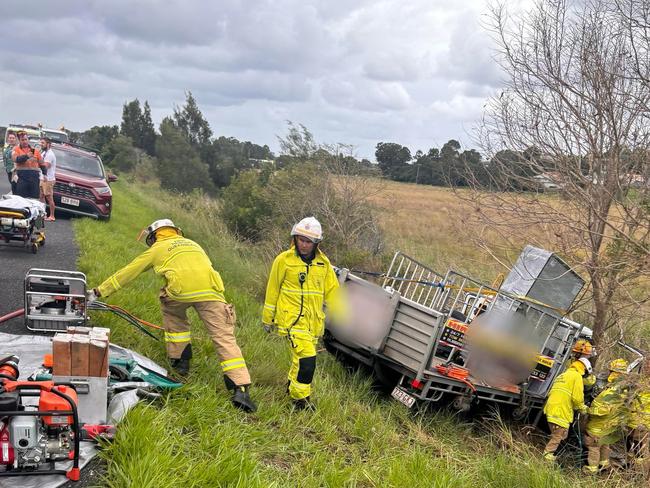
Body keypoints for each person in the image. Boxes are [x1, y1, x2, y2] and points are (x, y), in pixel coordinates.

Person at [87, 219, 257, 413]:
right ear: (176, 231)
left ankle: (180, 361)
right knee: (224, 338)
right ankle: (241, 390)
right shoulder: (193, 244)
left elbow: (128, 272)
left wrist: (99, 292)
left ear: (154, 236)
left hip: (179, 292)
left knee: (172, 311)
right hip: (212, 294)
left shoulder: (158, 248)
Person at [262, 216, 339, 410]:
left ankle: (290, 386)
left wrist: (343, 316)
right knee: (307, 360)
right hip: (291, 320)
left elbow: (333, 292)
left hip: (313, 323)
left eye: (308, 241)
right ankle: (301, 400)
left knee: (300, 358)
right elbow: (273, 290)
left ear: (316, 243)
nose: (303, 245)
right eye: (300, 239)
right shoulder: (283, 260)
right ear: (294, 238)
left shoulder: (323, 264)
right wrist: (267, 319)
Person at [583, 358, 629, 474]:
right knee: (604, 444)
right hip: (607, 426)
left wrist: (589, 410)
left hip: (598, 426)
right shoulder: (621, 389)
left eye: (611, 371)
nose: (609, 373)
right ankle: (604, 465)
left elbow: (605, 410)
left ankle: (592, 469)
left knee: (594, 447)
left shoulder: (614, 391)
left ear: (616, 373)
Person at [542, 357, 591, 461]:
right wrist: (584, 408)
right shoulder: (576, 376)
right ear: (584, 369)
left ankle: (553, 453)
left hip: (551, 407)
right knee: (558, 435)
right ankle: (547, 457)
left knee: (562, 434)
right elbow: (577, 398)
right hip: (560, 410)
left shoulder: (563, 375)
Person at [12, 131, 43, 199]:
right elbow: (16, 159)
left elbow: (41, 163)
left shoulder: (34, 150)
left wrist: (45, 174)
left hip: (34, 179)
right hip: (22, 178)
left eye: (26, 139)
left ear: (28, 140)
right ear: (19, 141)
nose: (25, 141)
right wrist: (26, 156)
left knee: (34, 200)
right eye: (22, 140)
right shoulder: (16, 149)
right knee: (20, 199)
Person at [39, 137, 57, 221]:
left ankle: (52, 216)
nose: (40, 144)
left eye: (42, 143)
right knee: (41, 196)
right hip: (42, 178)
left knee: (49, 197)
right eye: (40, 143)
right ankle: (43, 214)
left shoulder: (50, 154)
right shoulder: (43, 153)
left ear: (48, 144)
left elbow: (46, 166)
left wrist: (36, 163)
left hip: (48, 179)